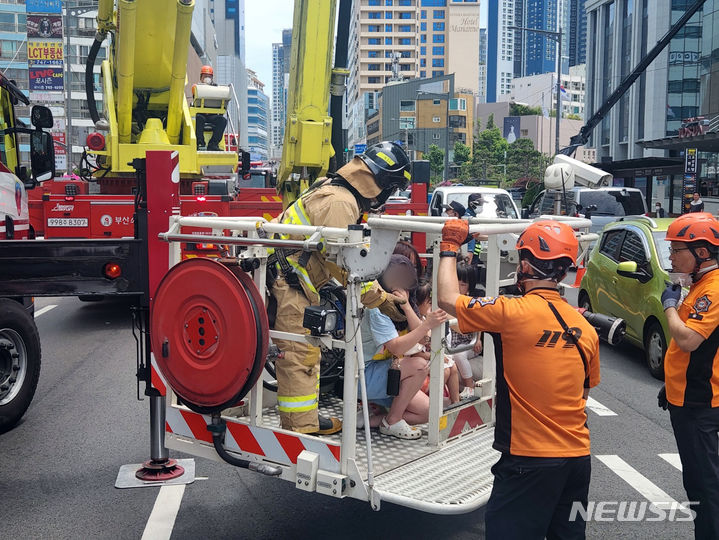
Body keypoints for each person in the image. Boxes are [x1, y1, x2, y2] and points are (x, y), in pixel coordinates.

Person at [437, 218, 600, 539]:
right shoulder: (586, 329)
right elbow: (583, 394)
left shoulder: (510, 311)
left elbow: (447, 299)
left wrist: (449, 248)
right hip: (577, 459)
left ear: (524, 265)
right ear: (564, 271)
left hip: (529, 460)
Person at [270, 141, 411, 435]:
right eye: (392, 188)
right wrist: (381, 299)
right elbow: (348, 266)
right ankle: (301, 430)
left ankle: (305, 419)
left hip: (296, 279)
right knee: (299, 354)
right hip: (289, 282)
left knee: (309, 352)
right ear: (382, 182)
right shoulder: (339, 202)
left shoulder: (337, 193)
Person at [658, 212, 719, 539]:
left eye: (676, 250)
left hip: (699, 401)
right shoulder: (700, 284)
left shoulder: (713, 289)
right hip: (688, 394)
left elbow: (687, 340)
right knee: (701, 479)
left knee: (702, 484)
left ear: (702, 253)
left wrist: (669, 304)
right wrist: (670, 384)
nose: (671, 256)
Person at [359, 255, 448, 439]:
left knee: (427, 411)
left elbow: (425, 340)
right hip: (361, 375)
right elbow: (397, 348)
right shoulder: (376, 306)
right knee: (419, 366)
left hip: (386, 374)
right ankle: (392, 421)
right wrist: (426, 325)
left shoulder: (404, 301)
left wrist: (407, 307)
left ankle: (372, 421)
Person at [447, 261, 483, 399]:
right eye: (456, 282)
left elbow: (478, 322)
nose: (458, 287)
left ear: (469, 286)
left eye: (463, 284)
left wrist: (478, 339)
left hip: (467, 344)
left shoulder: (470, 302)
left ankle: (470, 386)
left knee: (459, 355)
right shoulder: (447, 300)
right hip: (450, 344)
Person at [193, 65, 227, 151]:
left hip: (212, 115)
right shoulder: (196, 87)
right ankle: (200, 143)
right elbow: (194, 91)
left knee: (222, 120)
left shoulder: (216, 89)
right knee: (198, 119)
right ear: (201, 77)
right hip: (201, 114)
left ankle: (213, 144)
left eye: (209, 76)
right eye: (205, 76)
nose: (207, 78)